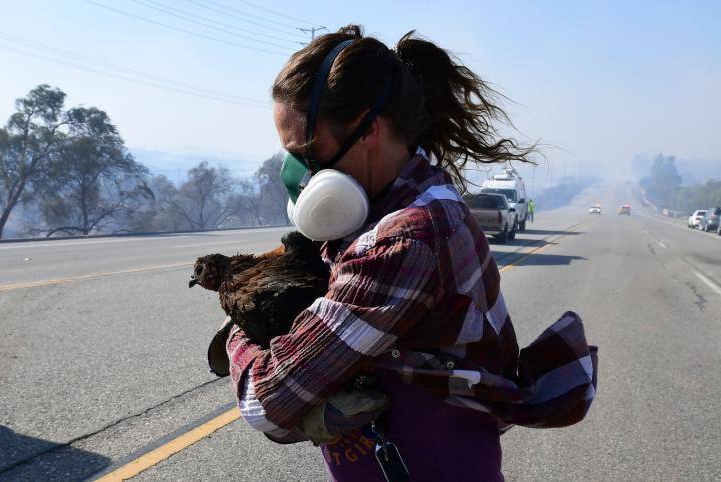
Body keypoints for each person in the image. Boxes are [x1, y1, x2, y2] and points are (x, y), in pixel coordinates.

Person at [225, 25, 597, 481]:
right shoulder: (419, 205)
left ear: (369, 129)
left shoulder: (404, 242)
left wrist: (238, 328)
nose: (299, 173)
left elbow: (266, 401)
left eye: (307, 150)